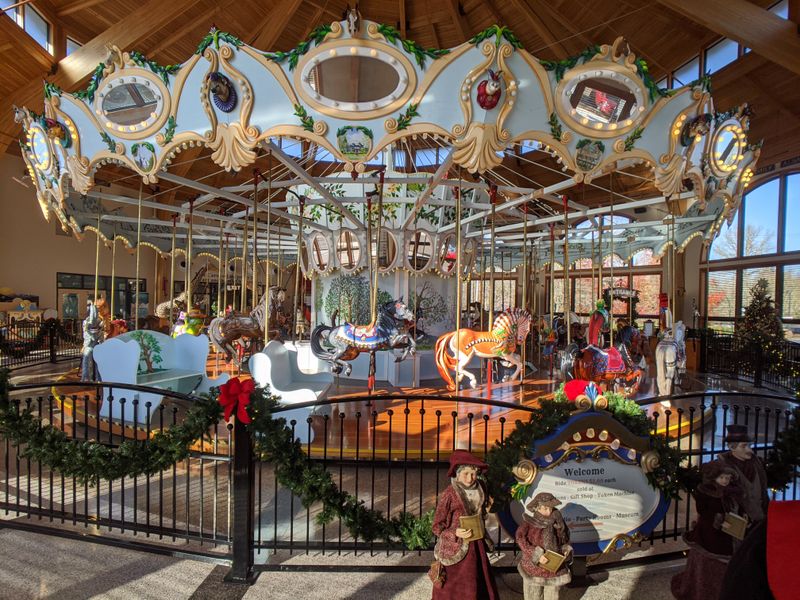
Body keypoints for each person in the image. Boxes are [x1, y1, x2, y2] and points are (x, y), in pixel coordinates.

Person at [671, 460, 744, 600]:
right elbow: (703, 511)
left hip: (729, 533)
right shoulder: (705, 492)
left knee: (727, 558)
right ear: (714, 478)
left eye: (727, 478)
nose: (725, 481)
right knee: (711, 557)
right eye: (722, 478)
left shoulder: (732, 492)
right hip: (710, 532)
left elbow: (737, 507)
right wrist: (719, 521)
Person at [431, 450, 498, 600]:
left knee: (478, 577)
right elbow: (437, 526)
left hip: (477, 541)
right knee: (456, 583)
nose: (470, 478)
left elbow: (482, 509)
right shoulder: (449, 493)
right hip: (456, 546)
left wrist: (486, 509)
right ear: (457, 473)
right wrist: (455, 532)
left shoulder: (481, 487)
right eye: (465, 474)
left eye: (473, 473)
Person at [516, 493, 572, 600]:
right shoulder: (529, 523)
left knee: (552, 595)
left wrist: (565, 549)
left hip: (554, 567)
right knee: (533, 594)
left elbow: (565, 538)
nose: (549, 511)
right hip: (534, 566)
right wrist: (535, 553)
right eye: (545, 508)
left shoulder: (558, 521)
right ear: (537, 507)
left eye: (550, 508)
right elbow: (520, 538)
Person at [717, 424, 769, 526]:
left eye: (749, 445)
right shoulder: (723, 468)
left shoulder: (757, 464)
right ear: (732, 447)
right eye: (744, 446)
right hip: (738, 522)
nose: (749, 450)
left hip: (760, 518)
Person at [80, 297, 104, 381]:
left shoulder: (100, 321)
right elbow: (86, 334)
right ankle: (85, 376)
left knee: (99, 359)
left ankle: (100, 377)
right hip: (90, 344)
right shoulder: (86, 322)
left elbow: (101, 333)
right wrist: (84, 345)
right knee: (86, 356)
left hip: (98, 344)